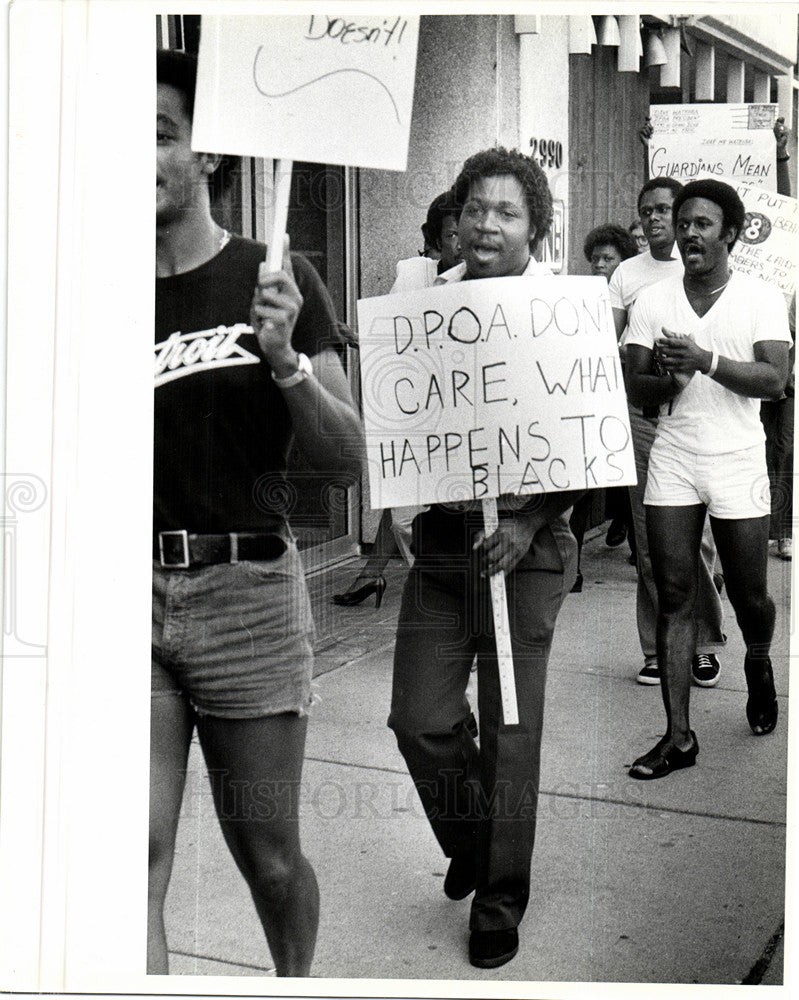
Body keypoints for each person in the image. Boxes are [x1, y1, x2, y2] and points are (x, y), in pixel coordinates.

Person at [152, 50, 364, 976]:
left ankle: (295, 985)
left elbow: (348, 458)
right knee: (131, 861)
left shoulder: (278, 278)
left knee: (268, 861)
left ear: (207, 154)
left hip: (248, 597)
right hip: (120, 598)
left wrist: (284, 362)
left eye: (158, 133)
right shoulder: (71, 285)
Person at [388, 147, 582, 970]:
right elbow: (394, 413)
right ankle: (474, 834)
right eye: (475, 209)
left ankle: (498, 899)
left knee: (509, 727)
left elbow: (593, 445)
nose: (487, 224)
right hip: (442, 539)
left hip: (524, 548)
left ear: (535, 225)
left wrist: (534, 521)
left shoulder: (564, 308)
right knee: (420, 720)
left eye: (506, 212)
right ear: (454, 216)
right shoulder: (423, 301)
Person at [624, 179, 791, 779]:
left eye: (702, 224)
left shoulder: (760, 297)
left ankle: (760, 658)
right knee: (674, 594)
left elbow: (775, 380)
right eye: (684, 223)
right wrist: (669, 382)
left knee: (750, 594)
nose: (689, 233)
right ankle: (679, 736)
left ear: (730, 233)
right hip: (674, 454)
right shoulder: (652, 300)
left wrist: (705, 361)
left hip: (738, 457)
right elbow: (632, 387)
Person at [609, 177, 726, 687]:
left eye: (666, 211)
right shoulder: (627, 277)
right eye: (648, 212)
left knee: (695, 541)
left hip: (702, 420)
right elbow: (604, 340)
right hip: (643, 420)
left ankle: (702, 640)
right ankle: (658, 645)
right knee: (650, 539)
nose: (658, 220)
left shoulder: (700, 266)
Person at [333, 189, 461, 606]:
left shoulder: (484, 280)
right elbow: (392, 337)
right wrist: (361, 341)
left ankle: (403, 583)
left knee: (448, 512)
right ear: (435, 240)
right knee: (405, 511)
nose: (462, 243)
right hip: (412, 414)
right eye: (452, 235)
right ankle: (438, 588)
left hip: (459, 421)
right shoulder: (414, 275)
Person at [569, 223, 638, 591]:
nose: (599, 264)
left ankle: (642, 554)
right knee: (582, 486)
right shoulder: (579, 295)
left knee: (628, 483)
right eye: (594, 258)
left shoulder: (634, 296)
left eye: (608, 258)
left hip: (628, 397)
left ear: (624, 263)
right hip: (590, 394)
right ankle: (573, 568)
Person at [760, 295, 795, 561]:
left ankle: (785, 532)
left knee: (786, 450)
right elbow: (791, 330)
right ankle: (765, 529)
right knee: (764, 448)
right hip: (779, 378)